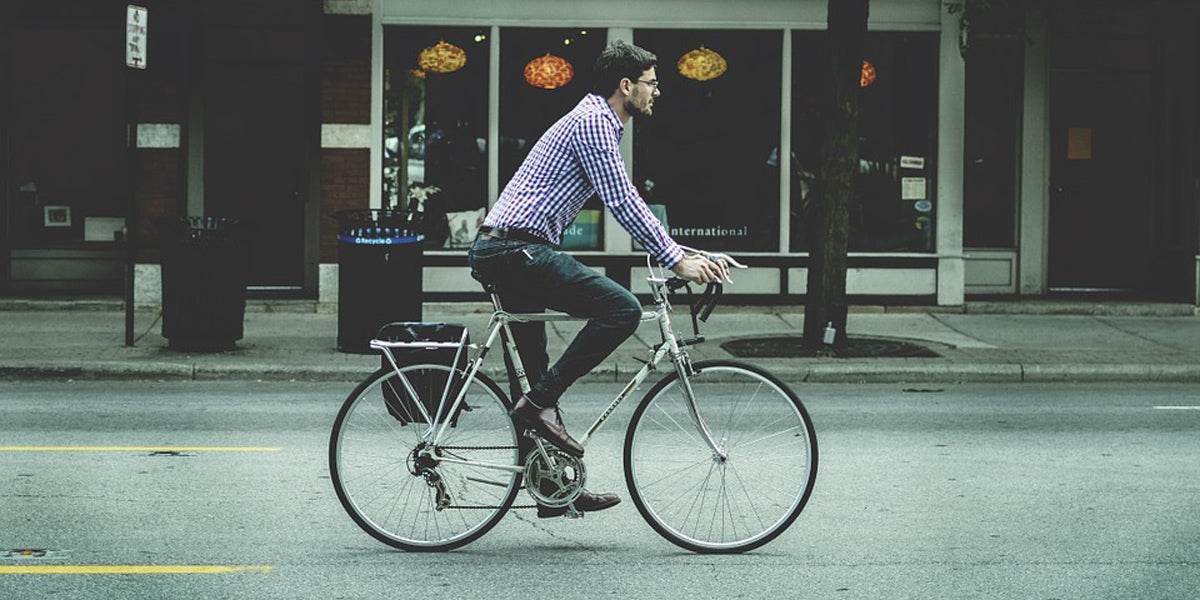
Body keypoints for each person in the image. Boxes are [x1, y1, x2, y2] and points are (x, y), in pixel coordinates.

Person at [468, 40, 729, 518]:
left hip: (512, 248)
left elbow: (626, 202)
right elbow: (624, 201)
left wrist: (691, 254)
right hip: (515, 249)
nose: (658, 90)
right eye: (651, 82)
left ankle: (551, 485)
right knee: (622, 309)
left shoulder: (598, 122)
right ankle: (538, 407)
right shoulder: (594, 124)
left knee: (535, 368)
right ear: (625, 86)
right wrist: (675, 260)